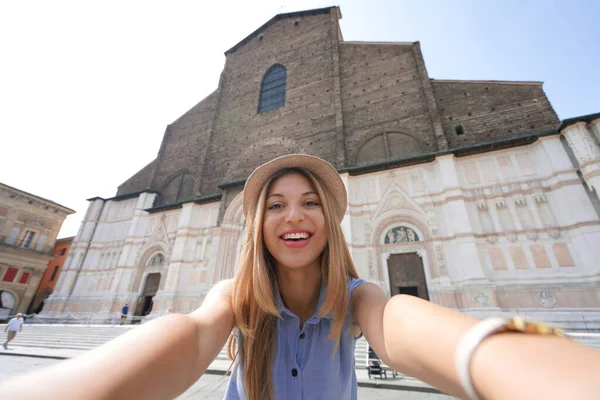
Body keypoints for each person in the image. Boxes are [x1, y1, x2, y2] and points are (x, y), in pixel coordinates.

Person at [0, 154, 599, 400]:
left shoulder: (360, 298)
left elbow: (409, 327)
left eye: (310, 202)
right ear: (259, 224)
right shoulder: (232, 296)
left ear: (330, 221)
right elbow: (185, 338)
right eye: (277, 204)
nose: (293, 216)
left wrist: (516, 368)